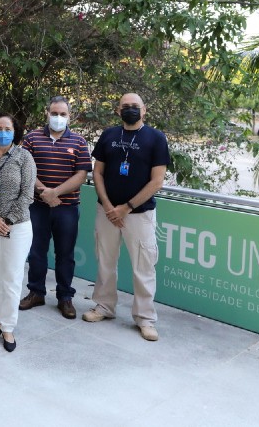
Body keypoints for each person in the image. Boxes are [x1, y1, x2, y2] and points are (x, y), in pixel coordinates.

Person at [82, 93, 170, 342]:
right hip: (106, 211)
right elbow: (97, 173)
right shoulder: (108, 135)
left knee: (143, 267)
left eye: (135, 106)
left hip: (139, 215)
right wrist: (110, 206)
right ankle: (103, 307)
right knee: (105, 262)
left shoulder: (156, 138)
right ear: (118, 111)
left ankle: (145, 318)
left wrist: (126, 207)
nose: (130, 110)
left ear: (144, 110)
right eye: (125, 107)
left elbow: (157, 181)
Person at [19, 96, 92, 319]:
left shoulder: (78, 142)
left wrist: (55, 193)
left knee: (65, 253)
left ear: (69, 116)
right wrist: (43, 192)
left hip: (66, 207)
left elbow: (81, 175)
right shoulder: (31, 138)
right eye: (54, 113)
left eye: (62, 114)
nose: (58, 117)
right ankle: (36, 292)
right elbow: (25, 168)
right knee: (36, 251)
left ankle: (65, 297)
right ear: (46, 113)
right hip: (38, 207)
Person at [0, 113, 36, 352]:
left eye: (7, 128)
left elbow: (27, 193)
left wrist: (7, 220)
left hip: (17, 226)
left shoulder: (24, 157)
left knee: (11, 277)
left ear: (15, 131)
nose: (3, 132)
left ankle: (9, 327)